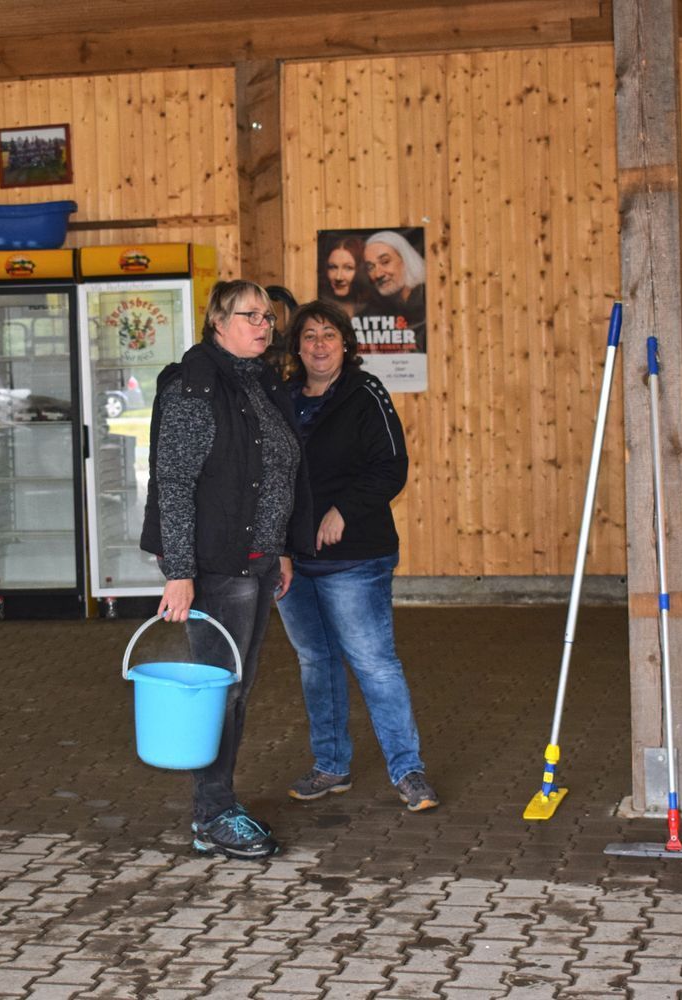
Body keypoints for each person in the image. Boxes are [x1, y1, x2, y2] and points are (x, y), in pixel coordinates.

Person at [141, 279, 314, 860]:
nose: (264, 326)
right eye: (250, 316)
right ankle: (212, 815)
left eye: (268, 317)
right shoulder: (195, 385)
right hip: (218, 566)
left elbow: (274, 474)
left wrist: (280, 547)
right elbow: (174, 482)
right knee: (223, 691)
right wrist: (180, 571)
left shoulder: (258, 381)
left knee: (238, 688)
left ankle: (218, 806)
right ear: (218, 322)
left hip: (258, 562)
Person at [274, 301, 439, 812]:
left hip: (355, 560)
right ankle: (331, 766)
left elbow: (390, 467)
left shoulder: (366, 393)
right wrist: (278, 548)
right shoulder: (282, 399)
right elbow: (271, 480)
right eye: (309, 336)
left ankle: (408, 772)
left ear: (346, 343)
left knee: (374, 664)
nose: (319, 344)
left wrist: (343, 510)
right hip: (294, 563)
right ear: (297, 347)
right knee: (315, 663)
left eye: (329, 334)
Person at [359, 230, 428, 352]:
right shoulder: (377, 310)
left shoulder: (426, 300)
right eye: (370, 267)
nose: (378, 274)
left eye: (385, 262)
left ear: (405, 259)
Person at [317, 236, 372, 318]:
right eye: (333, 267)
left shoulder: (375, 311)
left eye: (348, 268)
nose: (338, 277)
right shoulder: (321, 311)